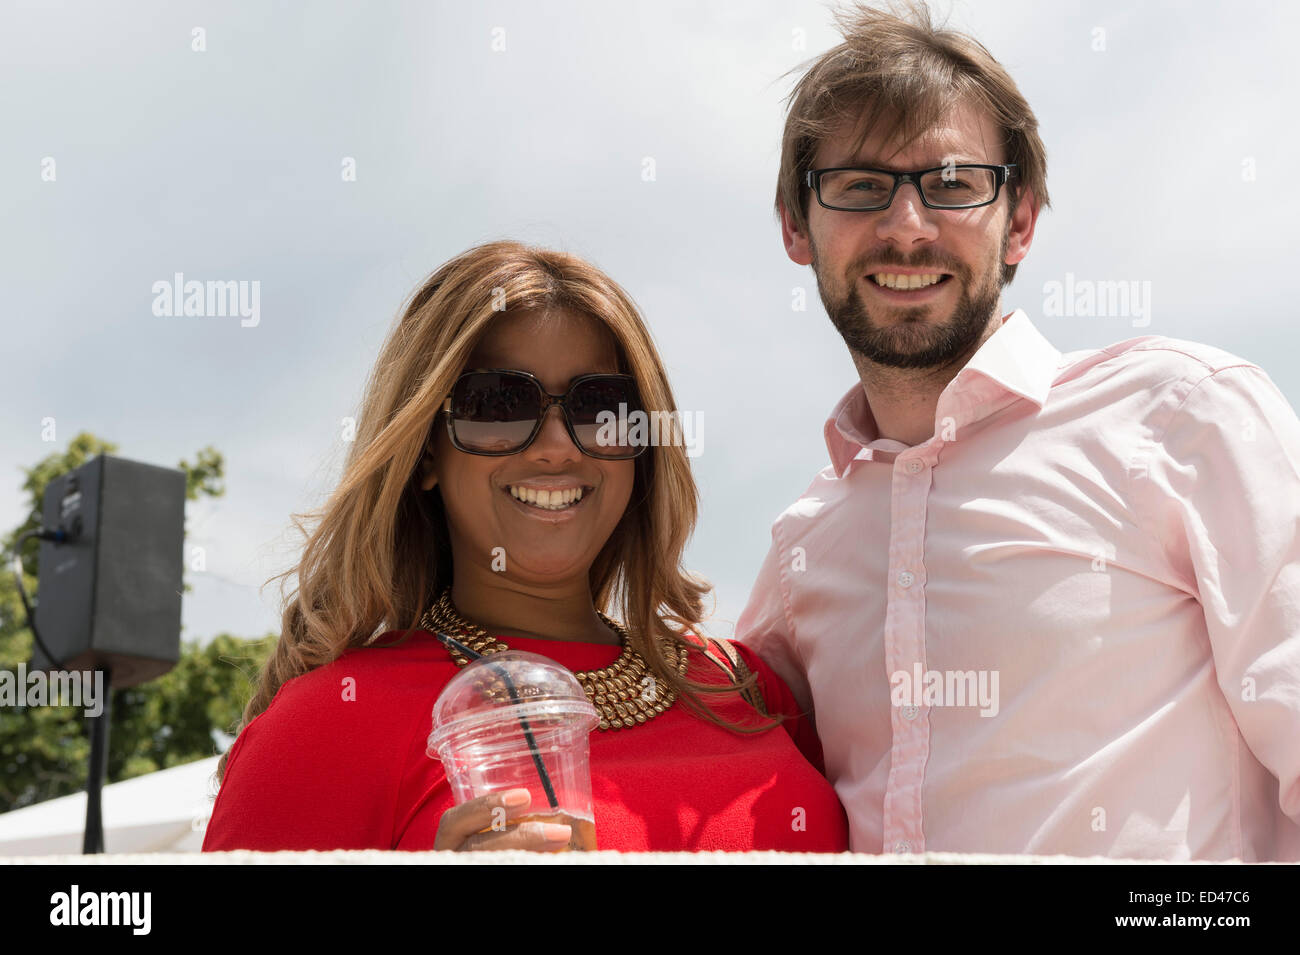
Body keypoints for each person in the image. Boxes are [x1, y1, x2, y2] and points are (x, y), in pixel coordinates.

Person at [734, 1, 1300, 862]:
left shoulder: (1184, 417)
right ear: (794, 226)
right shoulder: (801, 550)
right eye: (858, 186)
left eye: (954, 184)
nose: (906, 227)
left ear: (1022, 221)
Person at [202, 240, 848, 853]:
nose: (557, 444)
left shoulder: (746, 686)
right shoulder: (326, 723)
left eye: (601, 406)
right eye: (499, 403)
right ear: (426, 449)